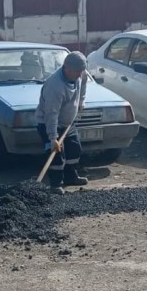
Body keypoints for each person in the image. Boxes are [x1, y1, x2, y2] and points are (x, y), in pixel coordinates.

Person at [35, 51, 90, 193]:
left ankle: (71, 177)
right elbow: (51, 114)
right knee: (57, 155)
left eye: (81, 71)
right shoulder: (55, 86)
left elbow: (83, 81)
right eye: (77, 72)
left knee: (74, 149)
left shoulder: (79, 73)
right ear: (67, 69)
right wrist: (53, 138)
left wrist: (81, 100)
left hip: (68, 123)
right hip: (49, 123)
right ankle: (55, 184)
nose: (80, 74)